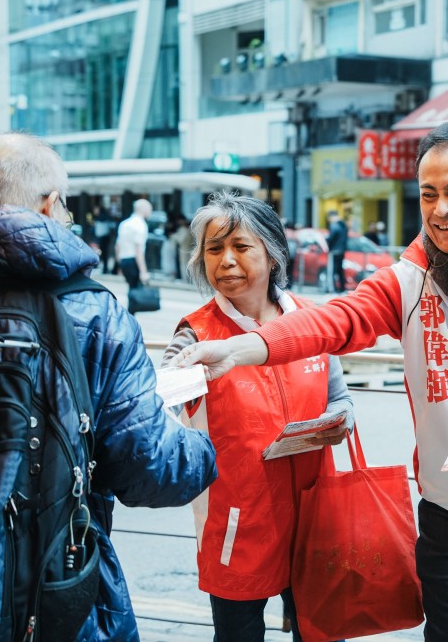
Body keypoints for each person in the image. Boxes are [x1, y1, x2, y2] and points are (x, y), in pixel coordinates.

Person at [173, 121, 448, 642]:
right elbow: (332, 322)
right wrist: (238, 348)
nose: (440, 208)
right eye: (428, 194)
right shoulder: (406, 282)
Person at [0, 131, 218, 641]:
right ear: (53, 205)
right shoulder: (95, 315)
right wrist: (202, 447)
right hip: (50, 596)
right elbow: (151, 471)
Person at [160, 192, 353, 642]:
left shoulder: (311, 321)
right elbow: (162, 404)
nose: (226, 261)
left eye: (240, 247)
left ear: (272, 254)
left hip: (314, 515)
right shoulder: (196, 332)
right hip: (235, 523)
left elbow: (340, 398)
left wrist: (338, 421)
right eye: (214, 249)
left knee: (322, 634)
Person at [116, 198, 152, 293]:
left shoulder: (124, 224)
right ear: (144, 210)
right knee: (137, 292)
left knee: (132, 289)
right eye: (149, 209)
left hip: (124, 260)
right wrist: (143, 271)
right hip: (134, 261)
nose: (150, 212)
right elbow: (139, 250)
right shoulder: (140, 225)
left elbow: (118, 246)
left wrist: (120, 264)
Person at [325, 209, 348, 292]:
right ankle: (342, 288)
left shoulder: (334, 225)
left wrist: (327, 241)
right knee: (340, 270)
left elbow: (331, 238)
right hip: (341, 250)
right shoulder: (343, 225)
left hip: (334, 250)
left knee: (332, 271)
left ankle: (332, 289)